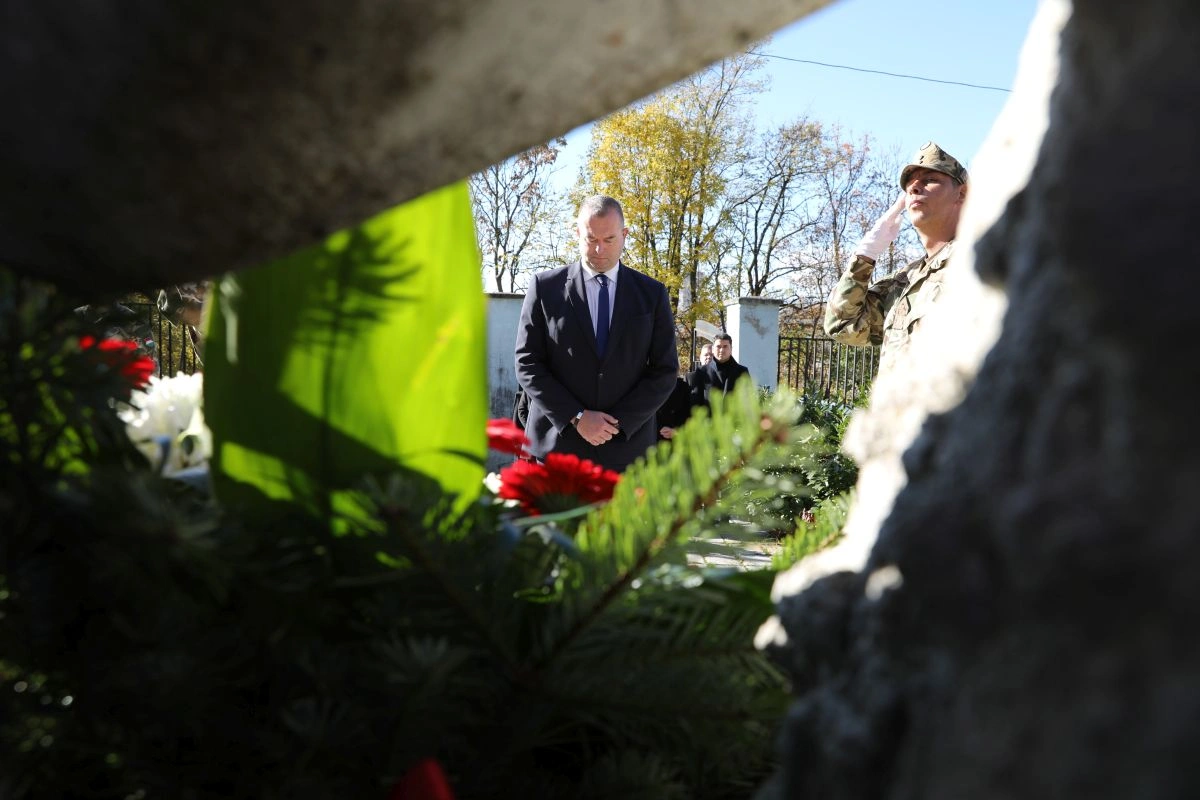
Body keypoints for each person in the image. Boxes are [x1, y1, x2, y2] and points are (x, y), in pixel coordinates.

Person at [514, 195, 678, 472]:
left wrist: (617, 423)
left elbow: (664, 370)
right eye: (591, 239)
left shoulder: (651, 294)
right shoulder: (545, 287)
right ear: (577, 233)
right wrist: (576, 417)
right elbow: (527, 363)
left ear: (624, 235)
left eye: (610, 240)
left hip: (627, 450)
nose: (599, 249)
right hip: (558, 448)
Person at [824, 142, 968, 368]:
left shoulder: (979, 260)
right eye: (910, 184)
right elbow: (843, 326)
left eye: (930, 180)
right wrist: (866, 254)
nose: (914, 188)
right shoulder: (904, 281)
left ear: (961, 194)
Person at [689, 332, 751, 407]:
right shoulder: (702, 372)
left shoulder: (742, 372)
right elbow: (696, 402)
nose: (721, 350)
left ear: (731, 349)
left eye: (725, 346)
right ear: (712, 349)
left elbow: (747, 402)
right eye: (718, 346)